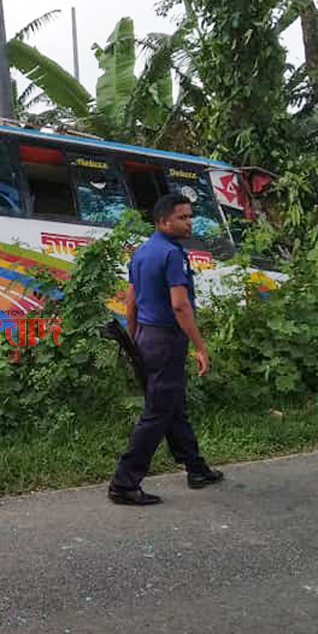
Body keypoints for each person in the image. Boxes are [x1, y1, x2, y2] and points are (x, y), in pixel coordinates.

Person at [108, 193, 224, 506]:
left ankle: (196, 468)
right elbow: (180, 305)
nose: (189, 223)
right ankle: (124, 482)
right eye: (182, 218)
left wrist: (134, 338)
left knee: (173, 405)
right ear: (163, 221)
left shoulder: (142, 252)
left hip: (147, 337)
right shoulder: (173, 255)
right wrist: (200, 347)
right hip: (167, 341)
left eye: (189, 216)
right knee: (158, 412)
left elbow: (130, 301)